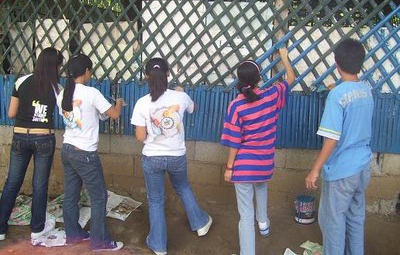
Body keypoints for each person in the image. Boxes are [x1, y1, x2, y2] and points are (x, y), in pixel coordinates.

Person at [131, 58, 212, 255]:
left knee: (156, 200)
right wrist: (181, 93)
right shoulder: (180, 97)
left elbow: (140, 137)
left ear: (146, 77)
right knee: (183, 187)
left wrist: (154, 134)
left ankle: (158, 245)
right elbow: (194, 108)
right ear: (168, 74)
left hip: (152, 158)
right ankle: (200, 223)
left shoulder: (142, 103)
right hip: (177, 156)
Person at [221, 48, 295, 255]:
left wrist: (229, 167)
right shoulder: (272, 95)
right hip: (265, 162)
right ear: (259, 78)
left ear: (239, 80)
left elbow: (234, 141)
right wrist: (284, 59)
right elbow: (291, 78)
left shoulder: (236, 106)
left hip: (244, 166)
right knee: (261, 186)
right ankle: (263, 223)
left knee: (245, 215)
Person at [305, 38, 373, 255]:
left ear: (336, 64)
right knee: (355, 219)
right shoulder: (366, 89)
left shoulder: (336, 96)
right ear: (361, 64)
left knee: (333, 222)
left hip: (342, 170)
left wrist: (315, 170)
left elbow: (332, 139)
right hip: (363, 166)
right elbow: (351, 95)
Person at [57, 53, 125, 251]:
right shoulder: (91, 93)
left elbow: (84, 115)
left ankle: (74, 234)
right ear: (86, 72)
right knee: (99, 197)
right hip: (85, 153)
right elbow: (114, 115)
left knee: (71, 195)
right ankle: (100, 241)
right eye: (90, 70)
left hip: (67, 149)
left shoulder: (64, 93)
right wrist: (119, 103)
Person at [0, 47, 63, 241]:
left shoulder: (21, 81)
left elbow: (11, 113)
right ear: (55, 66)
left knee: (12, 182)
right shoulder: (57, 88)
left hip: (20, 136)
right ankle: (37, 229)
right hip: (43, 138)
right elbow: (66, 114)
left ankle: (0, 229)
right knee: (40, 183)